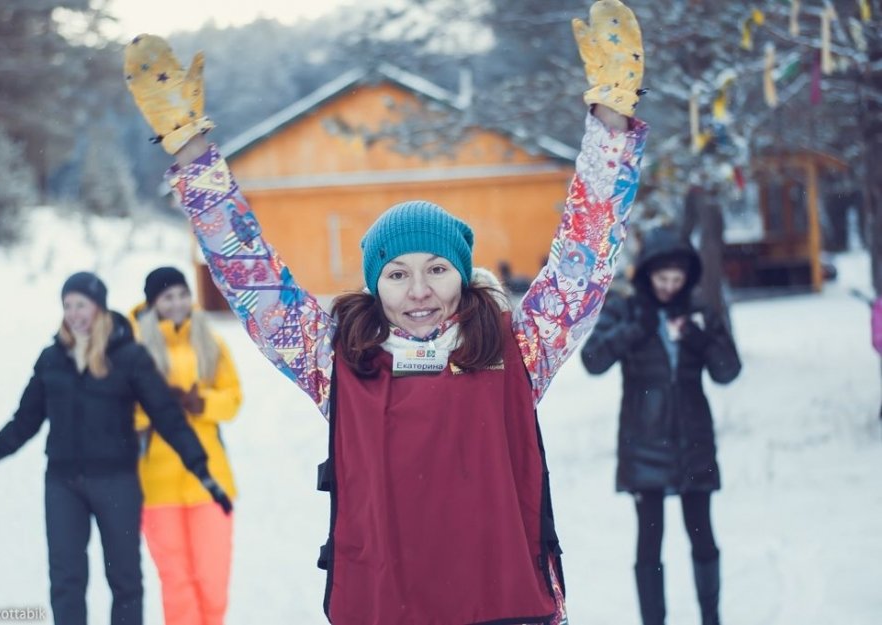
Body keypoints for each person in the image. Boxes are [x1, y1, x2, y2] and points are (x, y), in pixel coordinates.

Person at [124, 0, 648, 621]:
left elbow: (582, 256)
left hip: (505, 602)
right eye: (397, 275)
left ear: (464, 275)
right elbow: (252, 278)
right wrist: (192, 157)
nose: (418, 290)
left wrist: (610, 124)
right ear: (375, 286)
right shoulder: (337, 359)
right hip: (383, 607)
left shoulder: (516, 348)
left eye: (437, 270)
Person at [0, 272, 232, 625]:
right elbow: (23, 424)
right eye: (67, 305)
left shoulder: (128, 356)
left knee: (125, 581)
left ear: (99, 306)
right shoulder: (52, 359)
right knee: (66, 581)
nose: (74, 313)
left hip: (118, 483)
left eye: (82, 304)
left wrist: (200, 467)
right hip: (64, 485)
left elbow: (167, 416)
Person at [580, 227, 742, 625]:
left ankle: (711, 618)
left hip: (694, 441)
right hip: (644, 444)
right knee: (649, 544)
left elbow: (728, 372)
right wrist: (643, 327)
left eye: (677, 279)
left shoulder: (699, 310)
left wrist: (700, 337)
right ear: (647, 274)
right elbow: (593, 360)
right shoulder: (628, 309)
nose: (670, 287)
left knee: (702, 536)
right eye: (662, 279)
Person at [130, 267, 242, 625]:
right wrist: (158, 405)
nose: (177, 303)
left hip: (210, 479)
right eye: (167, 297)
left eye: (182, 294)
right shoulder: (136, 350)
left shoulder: (209, 341)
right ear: (153, 303)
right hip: (156, 485)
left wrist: (202, 402)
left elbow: (233, 398)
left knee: (213, 579)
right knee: (176, 581)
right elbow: (124, 413)